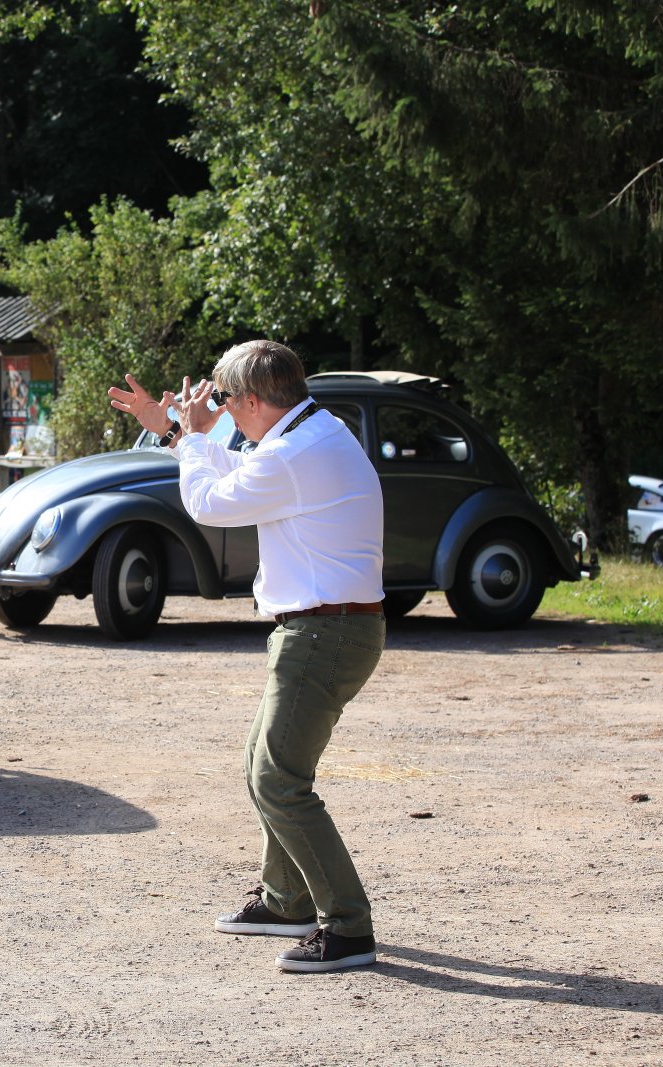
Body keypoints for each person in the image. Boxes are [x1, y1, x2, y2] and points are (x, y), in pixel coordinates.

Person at [108, 340, 385, 974]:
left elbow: (210, 503)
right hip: (328, 629)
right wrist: (180, 433)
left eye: (227, 398)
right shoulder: (310, 433)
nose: (222, 409)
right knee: (264, 765)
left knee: (278, 780)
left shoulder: (294, 453)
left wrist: (188, 436)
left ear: (254, 401)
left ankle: (348, 928)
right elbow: (240, 474)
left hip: (324, 633)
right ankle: (286, 901)